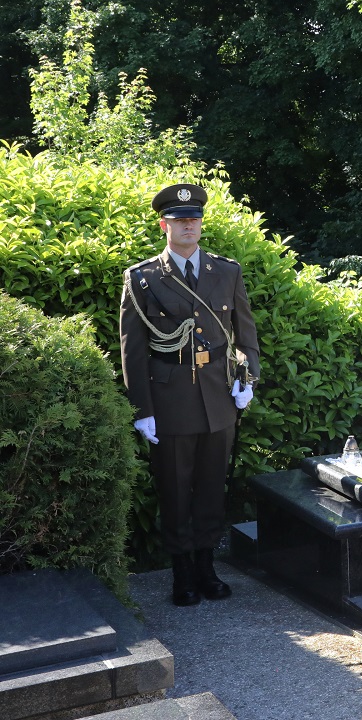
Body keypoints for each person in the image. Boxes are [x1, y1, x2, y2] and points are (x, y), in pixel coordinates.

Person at [120, 184, 261, 606]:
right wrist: (142, 408)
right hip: (170, 400)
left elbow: (245, 333)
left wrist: (247, 378)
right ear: (164, 226)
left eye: (194, 219)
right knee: (175, 488)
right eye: (179, 220)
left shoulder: (226, 271)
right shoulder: (142, 278)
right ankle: (182, 571)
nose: (188, 226)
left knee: (212, 485)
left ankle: (206, 565)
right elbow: (132, 349)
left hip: (218, 395)